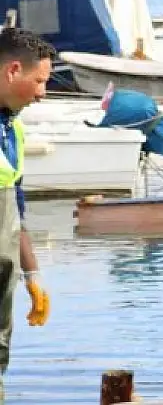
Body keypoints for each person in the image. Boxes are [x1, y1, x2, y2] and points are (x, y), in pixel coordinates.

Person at [0, 28, 52, 396]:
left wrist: (31, 275)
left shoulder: (12, 131)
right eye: (39, 81)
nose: (42, 92)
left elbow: (16, 211)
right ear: (13, 70)